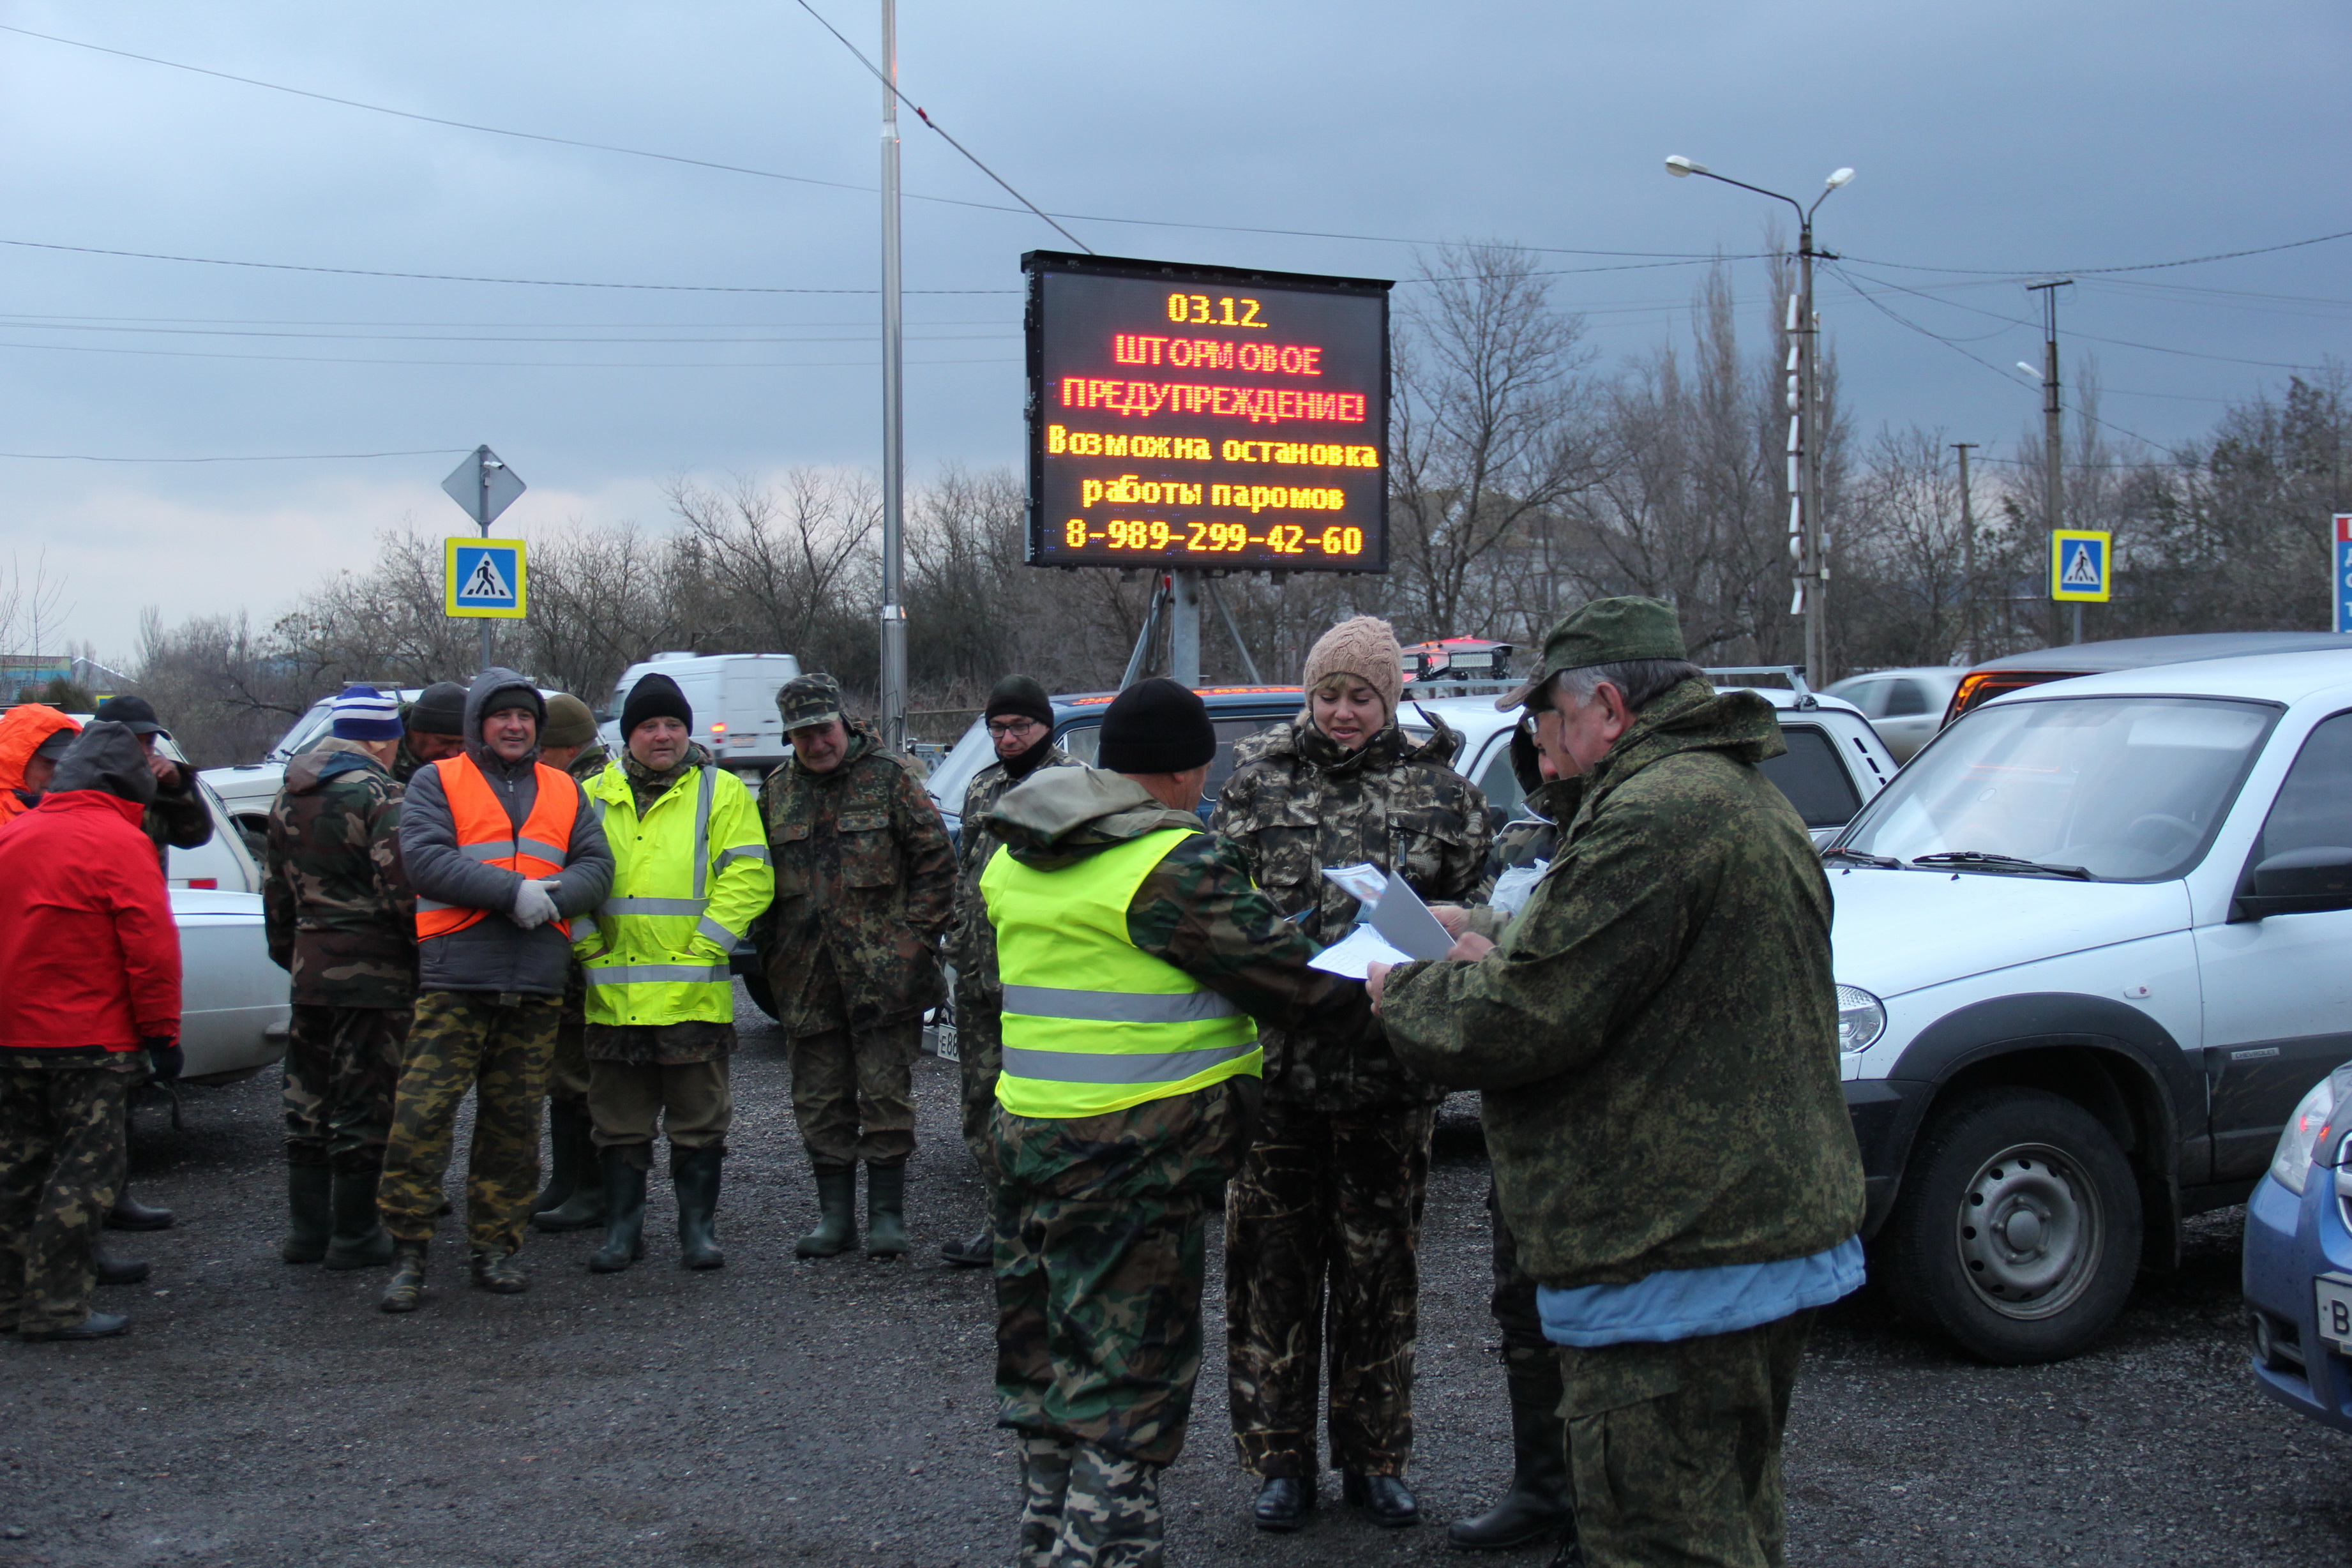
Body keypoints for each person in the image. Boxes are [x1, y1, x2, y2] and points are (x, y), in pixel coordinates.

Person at [1373, 598, 1867, 1568]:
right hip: (1740, 1232)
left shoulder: (1656, 816)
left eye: (1547, 718)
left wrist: (1405, 991)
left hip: (1678, 1254)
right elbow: (1623, 958)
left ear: (1605, 705)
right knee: (1730, 1521)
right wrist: (1487, 931)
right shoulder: (1724, 791)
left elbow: (1526, 1016)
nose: (1541, 743)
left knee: (1661, 1537)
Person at [980, 677, 1371, 1568]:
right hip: (1132, 1161)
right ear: (1185, 772)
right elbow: (1299, 985)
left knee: (1043, 1368)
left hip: (1028, 1140)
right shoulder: (1168, 864)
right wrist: (1403, 981)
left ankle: (1046, 1543)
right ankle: (1109, 1549)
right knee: (1125, 1380)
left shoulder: (1016, 851)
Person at [1209, 615, 1491, 1531]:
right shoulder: (1256, 782)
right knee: (1272, 1274)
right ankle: (1280, 1462)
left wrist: (1443, 927)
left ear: (1391, 699)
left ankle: (1376, 1459)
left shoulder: (1443, 792)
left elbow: (1481, 908)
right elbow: (1219, 904)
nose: (1342, 711)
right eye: (1329, 693)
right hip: (1278, 1074)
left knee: (1380, 1275)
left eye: (1361, 696)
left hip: (1389, 1072)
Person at [377, 668, 614, 1310]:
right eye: (502, 716)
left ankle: (495, 1247)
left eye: (525, 717)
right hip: (457, 978)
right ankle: (409, 1252)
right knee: (422, 1117)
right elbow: (426, 860)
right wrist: (513, 892)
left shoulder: (564, 788)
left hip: (535, 981)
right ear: (478, 723)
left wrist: (551, 897)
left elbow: (598, 867)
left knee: (513, 1126)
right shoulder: (438, 781)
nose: (515, 726)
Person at [573, 674, 772, 1272]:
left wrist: (703, 950)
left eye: (673, 725)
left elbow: (749, 876)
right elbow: (564, 878)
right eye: (649, 726)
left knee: (700, 1121)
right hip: (614, 995)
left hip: (692, 996)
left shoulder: (722, 791)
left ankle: (697, 1232)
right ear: (627, 735)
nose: (663, 736)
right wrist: (588, 950)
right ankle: (622, 1232)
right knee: (617, 1122)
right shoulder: (589, 796)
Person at [755, 672, 954, 1260]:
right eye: (803, 736)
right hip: (804, 977)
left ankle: (887, 1216)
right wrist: (771, 952)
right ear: (789, 738)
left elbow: (936, 863)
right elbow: (755, 878)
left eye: (824, 730)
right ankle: (835, 1217)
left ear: (842, 722)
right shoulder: (777, 792)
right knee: (820, 1099)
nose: (817, 744)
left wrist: (915, 943)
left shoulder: (889, 778)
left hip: (885, 976)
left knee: (885, 1095)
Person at [0, 721, 181, 1342]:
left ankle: (8, 1297)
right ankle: (56, 1306)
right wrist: (162, 1035)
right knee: (85, 1173)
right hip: (90, 1039)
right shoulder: (121, 842)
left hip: (12, 1036)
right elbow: (150, 950)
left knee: (16, 1168)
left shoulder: (13, 833)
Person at [1449, 718, 1579, 1557]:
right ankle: (1542, 1487)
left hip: (1590, 1123)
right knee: (1522, 1305)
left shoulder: (1627, 835)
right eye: (1536, 739)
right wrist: (1463, 921)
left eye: (1553, 732)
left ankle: (1600, 1507)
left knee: (1590, 1320)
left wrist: (1476, 968)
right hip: (1522, 1120)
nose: (1543, 753)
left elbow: (1558, 973)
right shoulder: (1533, 833)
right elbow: (1518, 927)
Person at [262, 685, 416, 1273]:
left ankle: (307, 1233)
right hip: (374, 976)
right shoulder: (381, 795)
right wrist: (424, 960)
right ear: (380, 740)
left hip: (310, 968)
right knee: (364, 1100)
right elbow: (403, 893)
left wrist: (294, 955)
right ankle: (355, 1233)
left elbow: (275, 891)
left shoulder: (290, 792)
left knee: (307, 1097)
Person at [939, 674, 1078, 1269]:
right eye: (998, 728)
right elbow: (966, 869)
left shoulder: (1074, 786)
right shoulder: (983, 785)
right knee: (981, 1103)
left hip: (1040, 981)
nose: (1009, 738)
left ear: (1045, 726)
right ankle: (1001, 1225)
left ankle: (1052, 1225)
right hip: (979, 973)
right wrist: (954, 942)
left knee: (1044, 1110)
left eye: (1021, 726)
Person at [88, 694, 206, 1239]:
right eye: (135, 740)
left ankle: (117, 1191)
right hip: (96, 931)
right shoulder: (84, 784)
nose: (145, 749)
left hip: (141, 920)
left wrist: (178, 785)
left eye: (149, 739)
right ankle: (93, 1202)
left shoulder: (156, 783)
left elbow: (195, 834)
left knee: (130, 1071)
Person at [529, 691, 613, 1233]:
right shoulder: (576, 783)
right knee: (564, 1070)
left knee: (582, 1073)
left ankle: (592, 1189)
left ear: (563, 748)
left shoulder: (585, 790)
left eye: (542, 749)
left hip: (587, 952)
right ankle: (567, 1181)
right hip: (570, 951)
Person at [0, 704, 80, 827]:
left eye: (66, 763)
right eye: (49, 763)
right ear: (15, 762)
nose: (59, 773)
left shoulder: (78, 809)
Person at [394, 681, 469, 785]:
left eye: (461, 743)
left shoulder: (480, 748)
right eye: (445, 742)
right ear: (416, 732)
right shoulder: (379, 746)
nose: (454, 754)